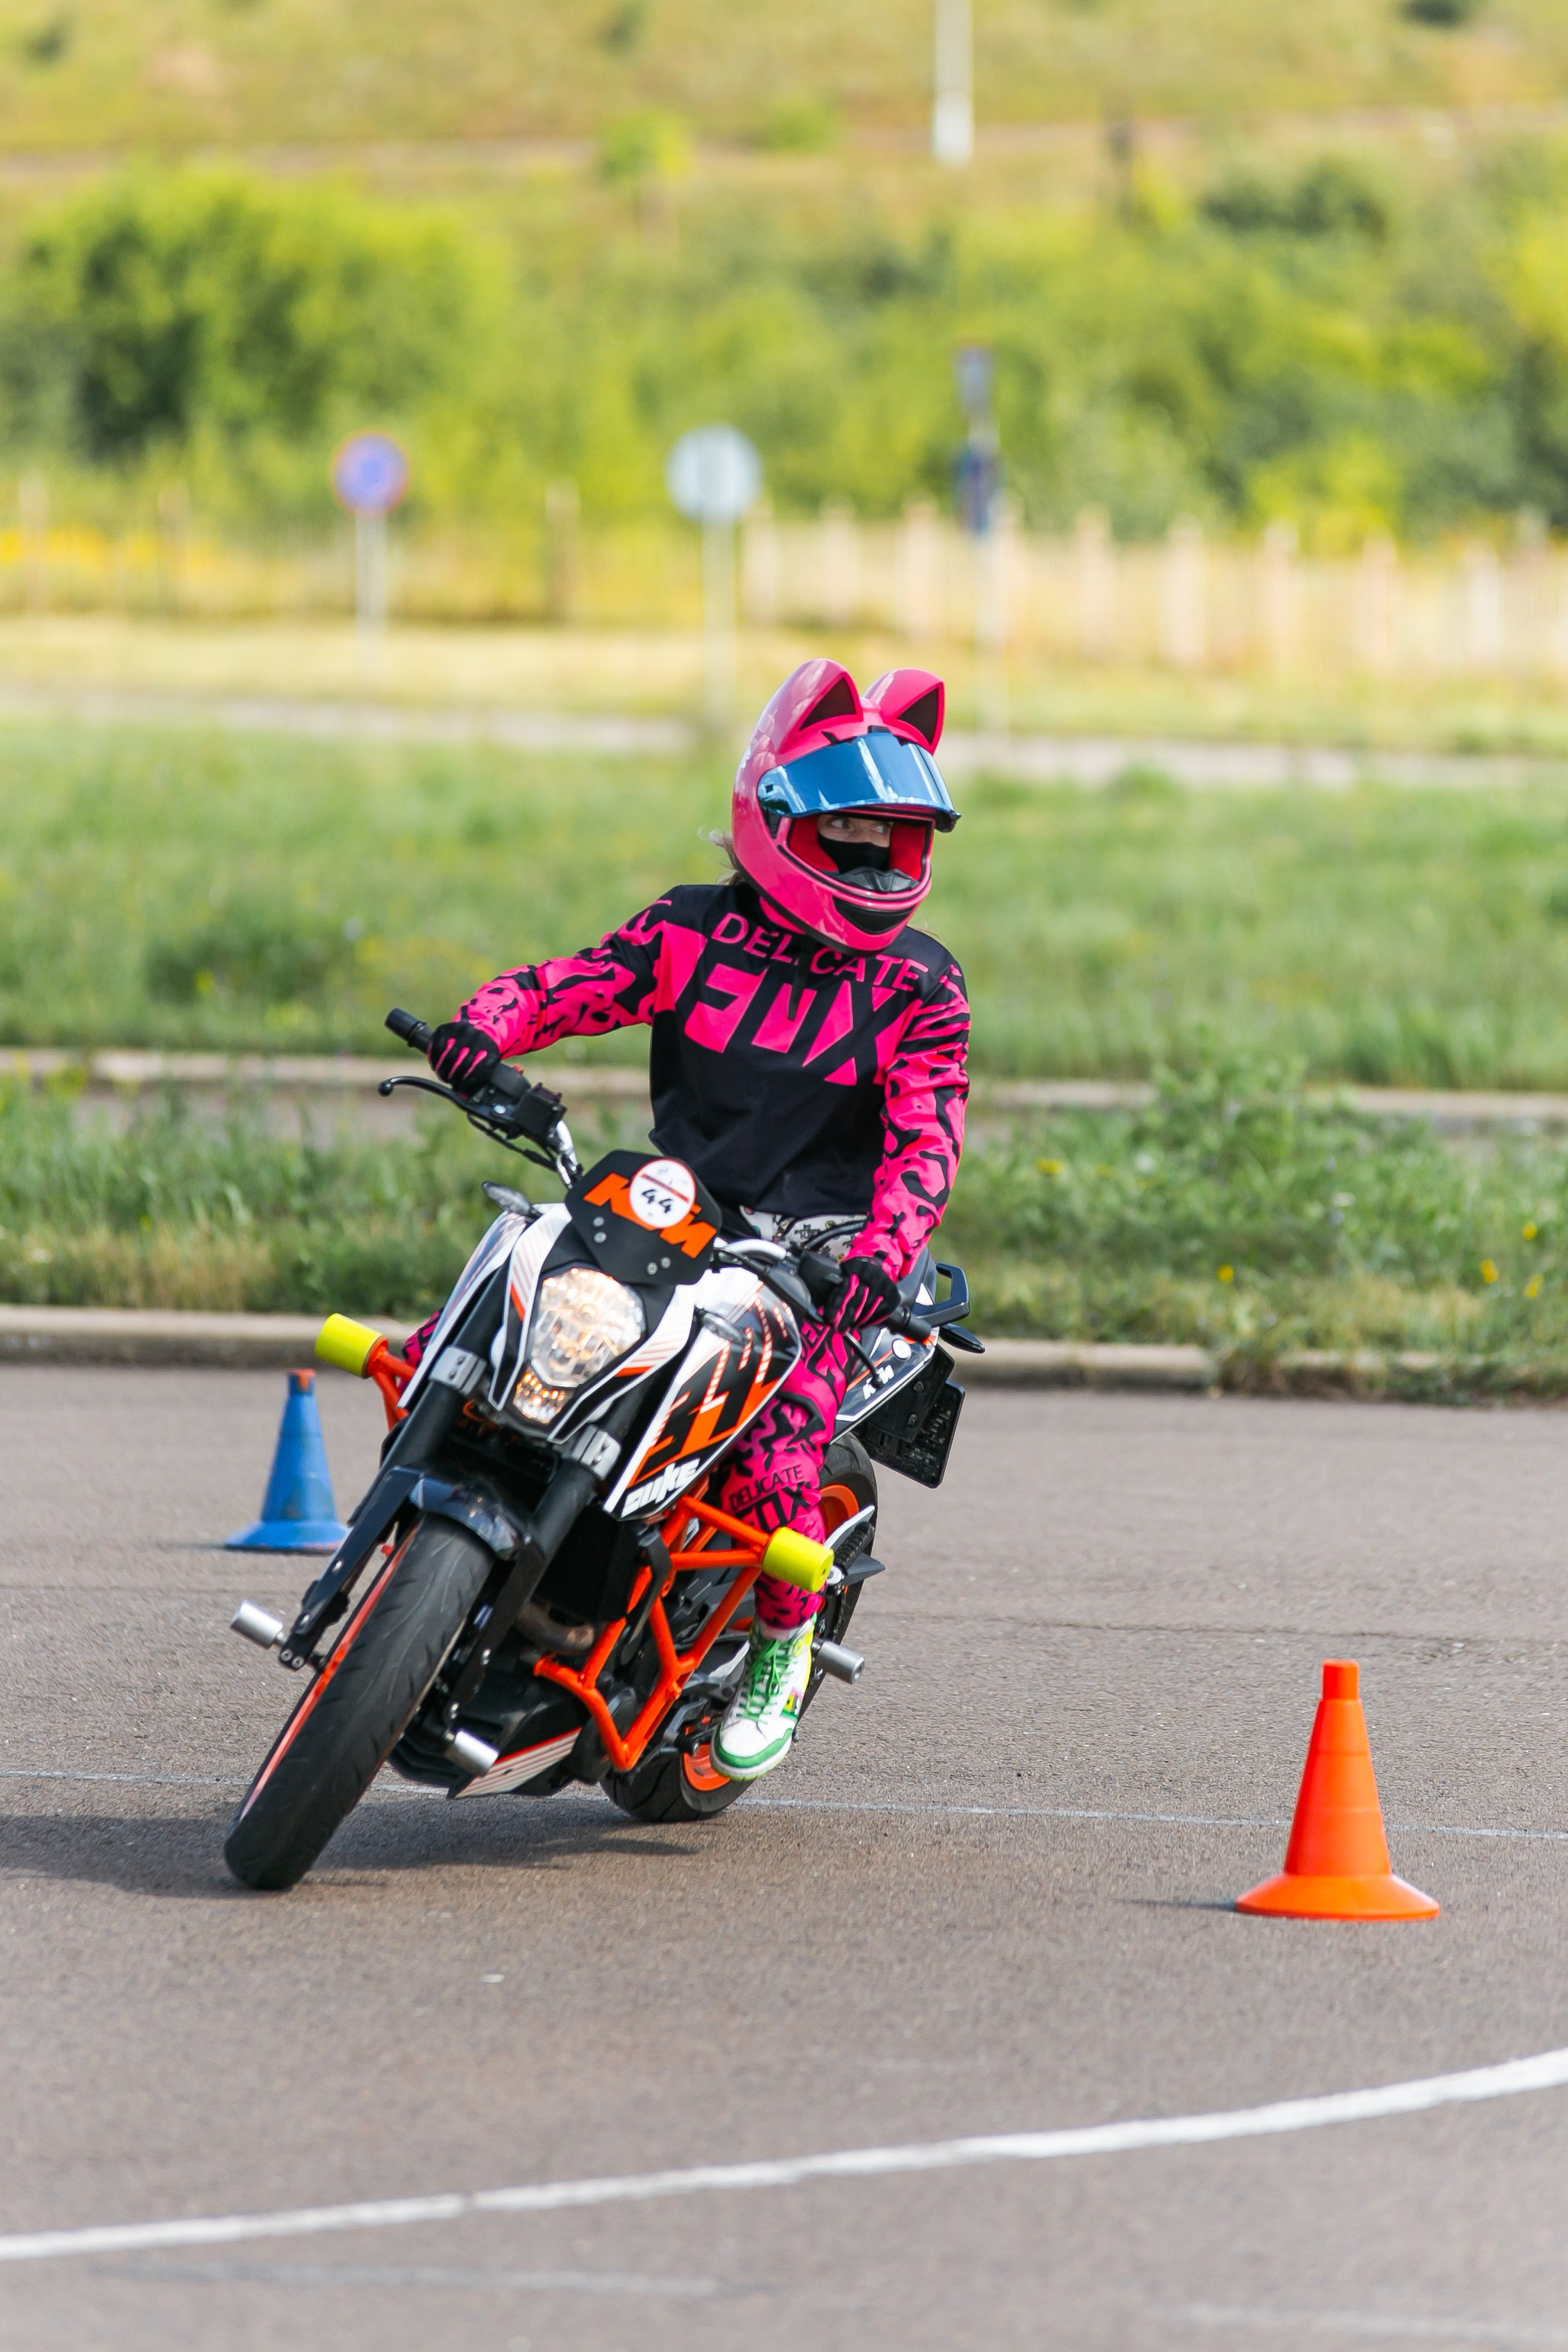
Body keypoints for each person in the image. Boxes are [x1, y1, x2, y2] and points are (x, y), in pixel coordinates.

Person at [419, 658, 969, 1782]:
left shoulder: (922, 987)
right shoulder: (688, 927)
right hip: (681, 1214)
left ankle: (781, 1644)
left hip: (828, 1260)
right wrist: (479, 1034)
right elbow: (571, 985)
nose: (872, 858)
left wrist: (881, 1256)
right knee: (523, 1290)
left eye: (892, 838)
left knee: (776, 1458)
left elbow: (927, 1141)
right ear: (771, 820)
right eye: (846, 834)